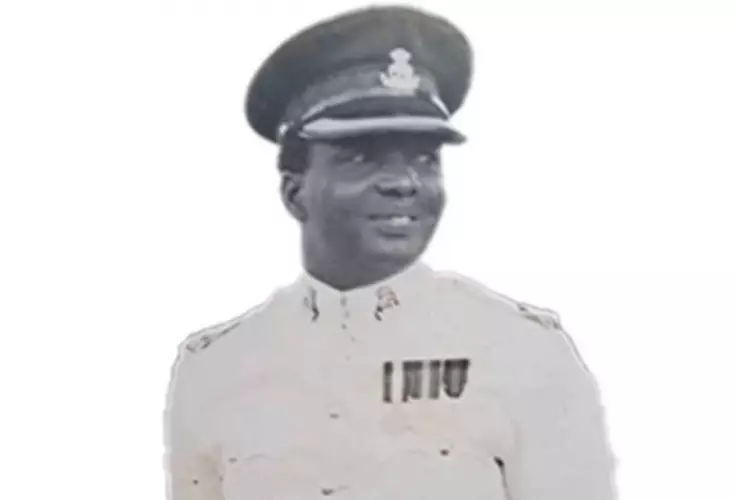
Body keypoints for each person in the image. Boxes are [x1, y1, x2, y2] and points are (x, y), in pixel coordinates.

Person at [164, 5, 618, 500]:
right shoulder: (217, 368)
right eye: (363, 158)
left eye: (425, 159)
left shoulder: (520, 351)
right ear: (295, 192)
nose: (404, 183)